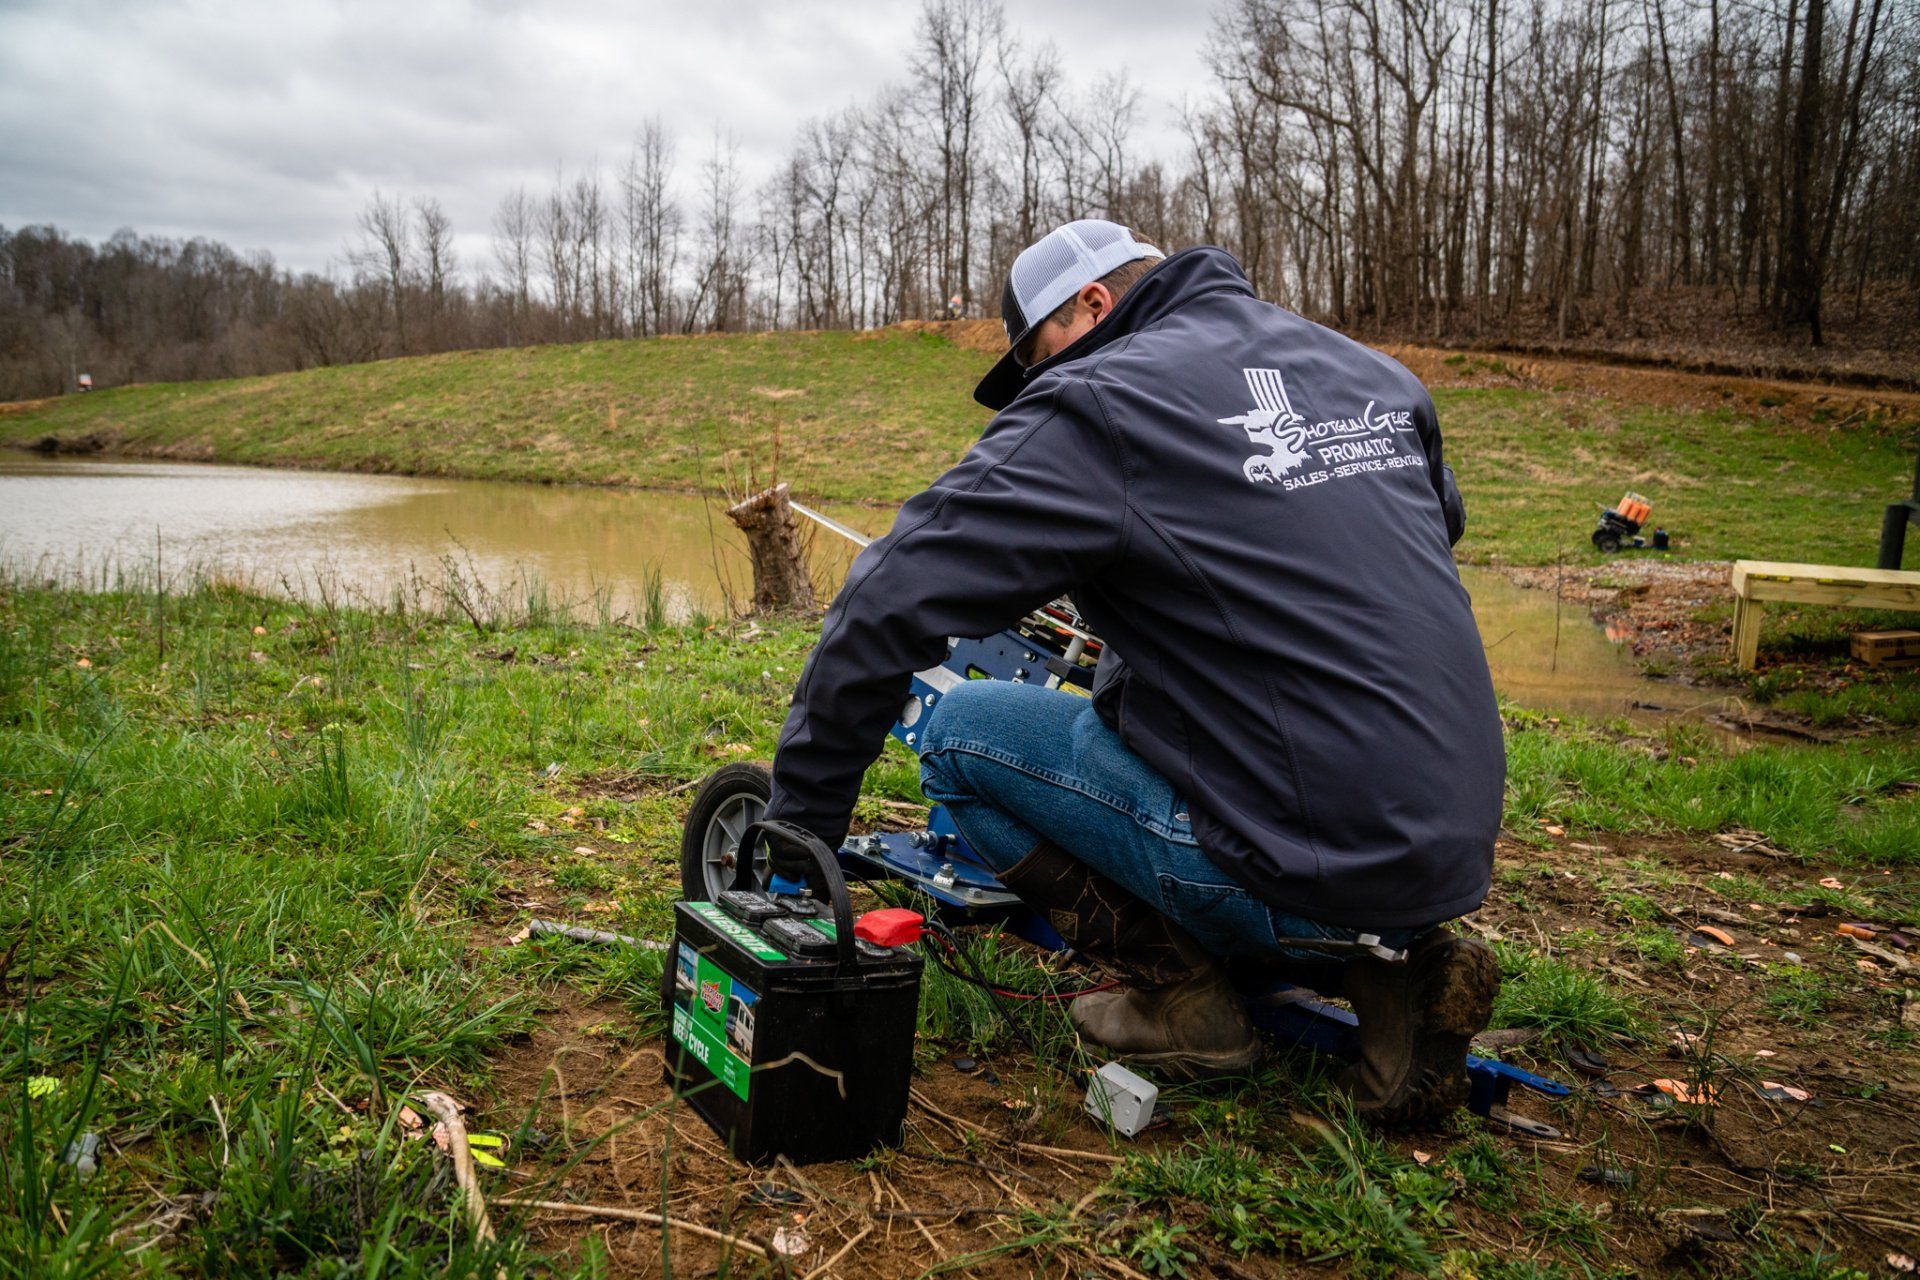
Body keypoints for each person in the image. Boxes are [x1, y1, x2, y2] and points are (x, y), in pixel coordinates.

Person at [764, 219, 1504, 1125]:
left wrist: (801, 824)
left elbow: (888, 595)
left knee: (959, 736)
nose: (1039, 382)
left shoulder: (1100, 400)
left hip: (1291, 851)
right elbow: (1414, 529)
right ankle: (1389, 974)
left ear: (1093, 305)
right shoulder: (1369, 373)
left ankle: (1183, 998)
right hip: (1446, 845)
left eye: (1038, 357)